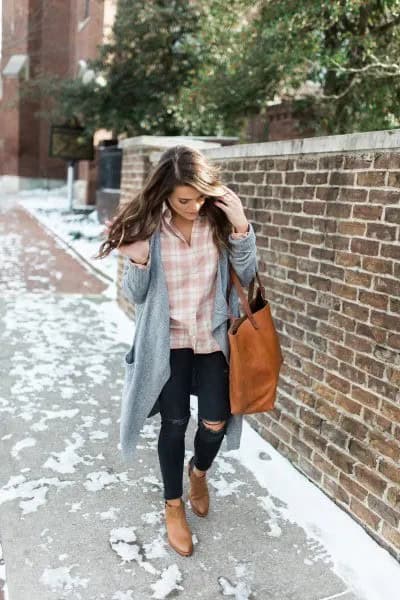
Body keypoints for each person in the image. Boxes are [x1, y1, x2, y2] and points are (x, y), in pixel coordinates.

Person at [96, 144, 258, 557]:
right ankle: (173, 506)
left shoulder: (216, 219)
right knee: (173, 423)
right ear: (166, 192)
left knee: (216, 422)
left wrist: (240, 226)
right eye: (185, 199)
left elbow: (247, 275)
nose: (195, 205)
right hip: (167, 342)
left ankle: (199, 472)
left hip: (211, 339)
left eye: (201, 197)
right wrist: (138, 261)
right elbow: (136, 295)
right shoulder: (149, 226)